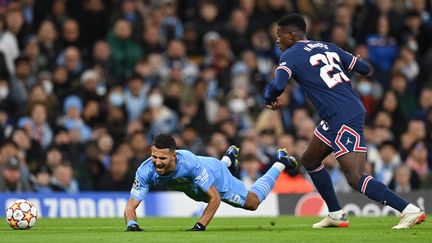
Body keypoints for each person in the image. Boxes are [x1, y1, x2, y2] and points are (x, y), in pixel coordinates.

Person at [263, 13, 425, 229]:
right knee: (310, 160)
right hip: (337, 114)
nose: (277, 40)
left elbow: (278, 85)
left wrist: (268, 96)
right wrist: (356, 59)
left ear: (291, 36)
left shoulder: (290, 55)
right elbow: (366, 69)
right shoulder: (329, 46)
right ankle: (336, 214)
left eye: (279, 35)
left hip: (342, 116)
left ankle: (409, 210)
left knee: (356, 177)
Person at [123, 134, 297, 231]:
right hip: (200, 176)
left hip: (217, 177)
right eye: (154, 157)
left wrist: (200, 226)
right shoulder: (145, 170)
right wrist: (132, 224)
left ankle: (280, 163)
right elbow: (131, 206)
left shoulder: (189, 164)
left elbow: (215, 199)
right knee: (201, 189)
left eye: (162, 158)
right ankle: (228, 159)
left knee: (253, 203)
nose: (157, 162)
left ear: (173, 156)